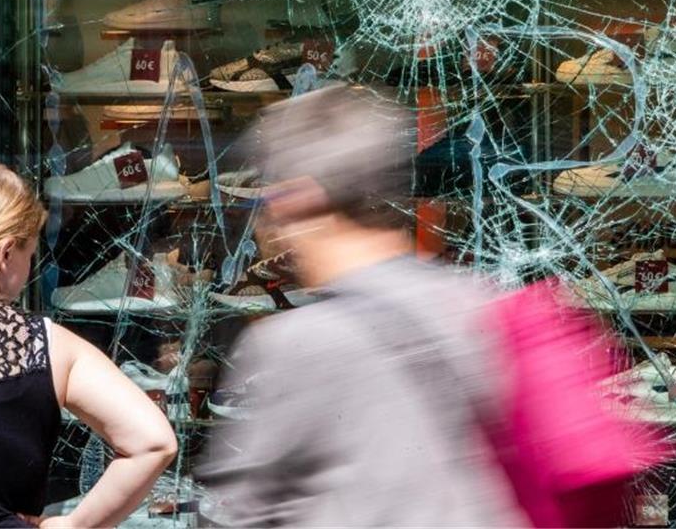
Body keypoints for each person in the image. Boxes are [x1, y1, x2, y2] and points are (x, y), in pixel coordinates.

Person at [199, 85, 528, 526]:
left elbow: (243, 511)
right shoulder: (475, 303)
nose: (266, 221)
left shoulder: (296, 343)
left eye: (269, 201)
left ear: (302, 198)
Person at [0, 160, 178, 528]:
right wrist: (74, 525)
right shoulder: (46, 344)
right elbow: (154, 442)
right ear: (6, 254)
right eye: (29, 254)